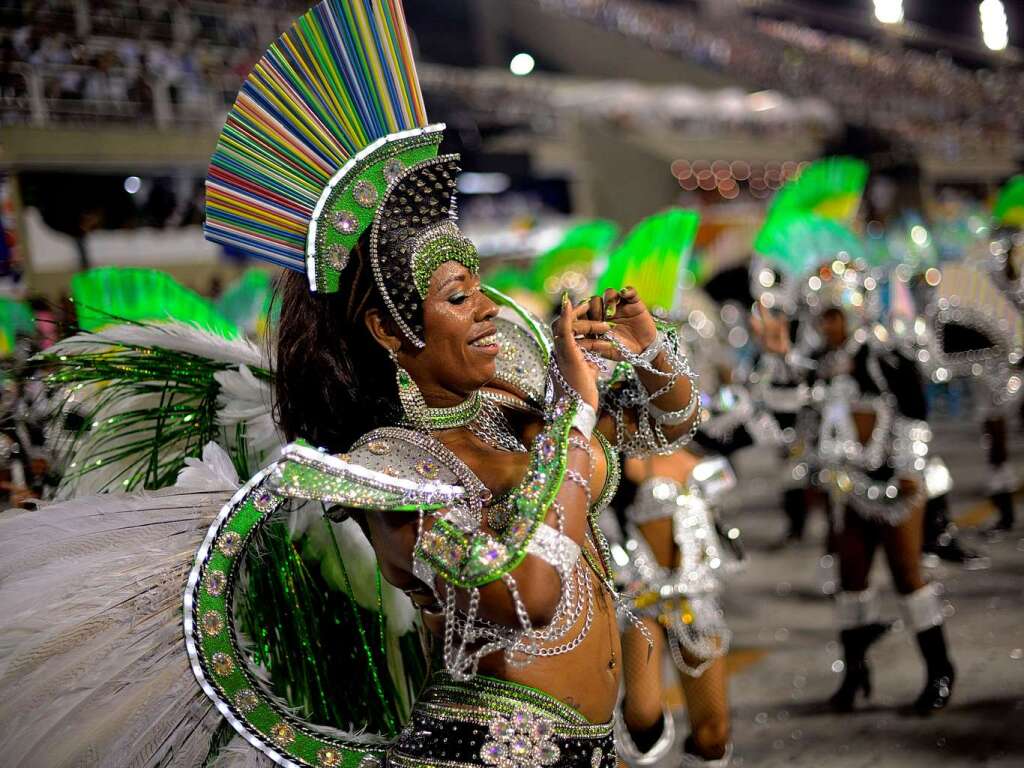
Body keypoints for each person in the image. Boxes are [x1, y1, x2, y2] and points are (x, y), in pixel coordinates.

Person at [0, 1, 701, 765]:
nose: (489, 312)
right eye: (459, 298)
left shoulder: (514, 396)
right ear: (389, 330)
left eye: (482, 286)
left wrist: (649, 351)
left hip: (592, 747)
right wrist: (572, 419)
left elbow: (659, 430)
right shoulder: (388, 467)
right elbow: (524, 595)